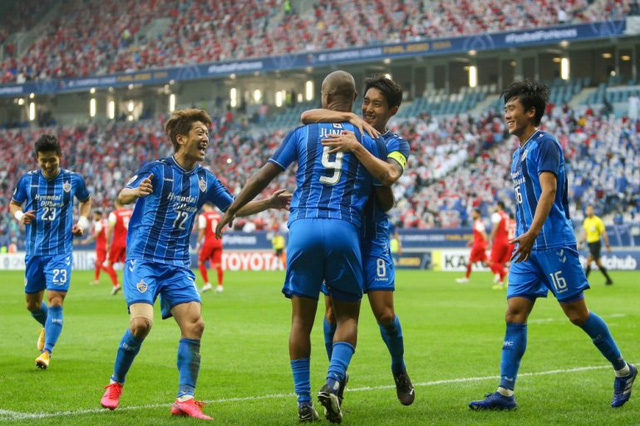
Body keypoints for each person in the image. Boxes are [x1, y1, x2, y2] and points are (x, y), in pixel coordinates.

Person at [215, 71, 388, 423]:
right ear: (354, 98)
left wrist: (233, 208)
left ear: (324, 97)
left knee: (300, 320)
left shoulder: (302, 132)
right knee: (348, 316)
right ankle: (334, 379)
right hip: (344, 229)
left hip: (304, 226)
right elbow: (385, 194)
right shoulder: (368, 136)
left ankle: (303, 402)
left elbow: (265, 176)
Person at [99, 109, 290, 420]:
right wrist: (135, 192)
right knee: (141, 324)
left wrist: (268, 202)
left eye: (207, 134)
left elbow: (235, 207)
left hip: (176, 264)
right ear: (180, 138)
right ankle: (115, 383)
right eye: (200, 132)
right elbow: (122, 196)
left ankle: (185, 398)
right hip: (143, 259)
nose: (206, 138)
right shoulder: (157, 170)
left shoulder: (205, 179)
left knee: (195, 324)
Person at [469, 80, 636, 411]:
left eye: (512, 108)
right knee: (514, 312)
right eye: (504, 109)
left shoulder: (546, 144)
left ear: (531, 111)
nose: (506, 115)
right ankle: (505, 393)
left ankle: (624, 370)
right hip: (527, 246)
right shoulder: (517, 153)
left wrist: (531, 232)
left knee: (577, 314)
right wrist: (526, 235)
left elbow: (548, 191)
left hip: (551, 241)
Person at [301, 74, 414, 405]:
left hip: (373, 237)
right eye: (365, 101)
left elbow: (390, 175)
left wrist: (356, 147)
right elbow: (307, 116)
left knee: (385, 315)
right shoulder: (343, 128)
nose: (368, 108)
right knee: (332, 314)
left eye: (377, 104)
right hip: (339, 234)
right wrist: (348, 122)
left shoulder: (395, 143)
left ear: (392, 110)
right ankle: (335, 379)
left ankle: (399, 367)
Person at [9, 134, 91, 370]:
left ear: (60, 157)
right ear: (37, 158)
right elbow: (14, 204)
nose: (47, 165)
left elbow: (86, 201)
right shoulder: (27, 181)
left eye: (52, 161)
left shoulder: (73, 180)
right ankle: (48, 326)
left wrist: (82, 223)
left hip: (60, 251)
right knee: (32, 304)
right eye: (43, 161)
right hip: (34, 251)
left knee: (55, 299)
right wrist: (20, 216)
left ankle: (47, 353)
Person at [578, 205, 613, 285]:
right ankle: (609, 280)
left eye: (590, 210)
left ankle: (584, 281)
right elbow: (585, 234)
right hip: (590, 244)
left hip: (596, 243)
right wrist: (580, 242)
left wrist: (607, 245)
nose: (589, 211)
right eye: (588, 210)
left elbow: (603, 233)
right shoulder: (586, 221)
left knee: (588, 261)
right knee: (598, 263)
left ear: (593, 211)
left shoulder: (598, 221)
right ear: (586, 211)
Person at [104, 201, 133, 295]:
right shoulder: (130, 212)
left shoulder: (114, 214)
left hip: (118, 243)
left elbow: (110, 229)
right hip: (129, 242)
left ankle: (116, 284)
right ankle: (132, 287)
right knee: (127, 266)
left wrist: (108, 243)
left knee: (109, 264)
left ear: (116, 203)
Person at [80, 210, 115, 286]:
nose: (94, 217)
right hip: (106, 244)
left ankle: (112, 274)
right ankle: (96, 280)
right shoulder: (105, 221)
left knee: (99, 263)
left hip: (101, 246)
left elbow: (96, 234)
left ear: (99, 216)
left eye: (95, 215)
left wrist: (87, 240)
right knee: (98, 263)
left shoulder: (99, 223)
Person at [195, 202, 224, 293]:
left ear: (205, 205)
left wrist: (198, 244)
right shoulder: (218, 215)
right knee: (218, 265)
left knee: (200, 262)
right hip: (218, 242)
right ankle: (220, 286)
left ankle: (207, 284)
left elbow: (202, 231)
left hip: (208, 242)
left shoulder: (203, 216)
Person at [456, 209, 488, 283]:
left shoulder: (478, 223)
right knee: (486, 261)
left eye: (474, 213)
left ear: (478, 214)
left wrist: (486, 243)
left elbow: (484, 235)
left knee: (470, 261)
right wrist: (471, 242)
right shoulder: (478, 222)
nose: (473, 214)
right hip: (479, 244)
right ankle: (499, 273)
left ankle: (466, 278)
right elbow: (478, 235)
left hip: (478, 245)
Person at [489, 201, 511, 290]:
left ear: (499, 206)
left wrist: (490, 239)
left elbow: (496, 227)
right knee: (501, 263)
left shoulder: (497, 215)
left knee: (492, 262)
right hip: (506, 241)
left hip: (499, 241)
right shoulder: (506, 216)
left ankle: (507, 274)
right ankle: (501, 283)